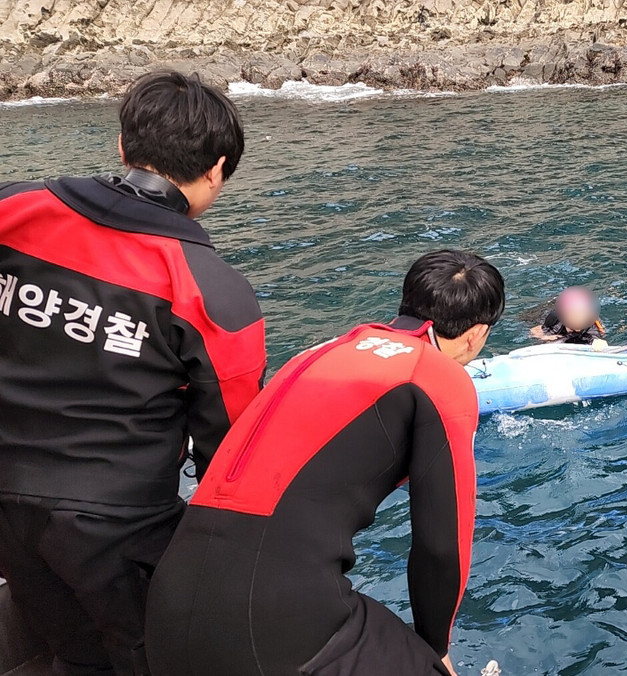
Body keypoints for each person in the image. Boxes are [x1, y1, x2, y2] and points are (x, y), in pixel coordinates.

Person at [0, 71, 265, 675]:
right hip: (119, 522)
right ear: (218, 168)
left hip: (8, 498)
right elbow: (229, 440)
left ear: (123, 145)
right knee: (148, 657)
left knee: (68, 650)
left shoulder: (14, 208)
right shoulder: (212, 291)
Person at [145, 250, 504, 676]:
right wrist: (435, 650)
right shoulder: (436, 376)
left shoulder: (317, 354)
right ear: (476, 334)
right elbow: (442, 545)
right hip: (273, 619)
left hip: (167, 604)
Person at [529, 286, 606, 345]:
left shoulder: (594, 324)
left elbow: (599, 338)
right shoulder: (555, 318)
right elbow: (534, 331)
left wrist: (599, 344)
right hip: (544, 312)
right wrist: (545, 337)